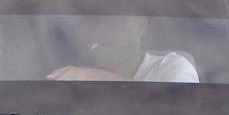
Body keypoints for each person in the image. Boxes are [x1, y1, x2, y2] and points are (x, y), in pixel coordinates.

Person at [47, 15, 199, 83]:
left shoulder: (172, 66)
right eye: (96, 22)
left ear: (141, 25)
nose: (104, 31)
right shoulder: (71, 77)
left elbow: (183, 110)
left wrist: (92, 76)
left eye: (115, 22)